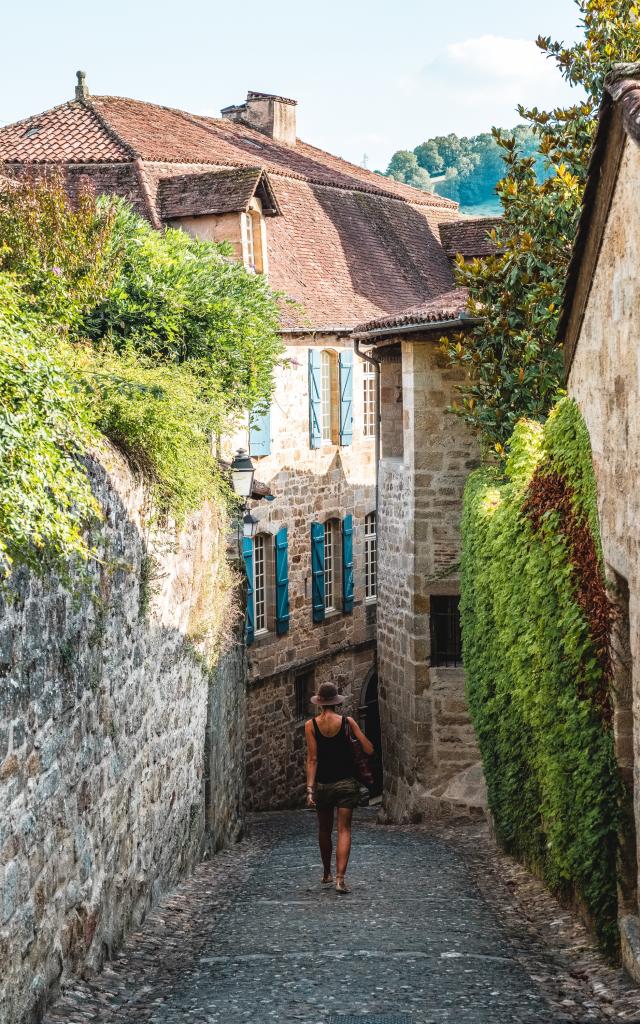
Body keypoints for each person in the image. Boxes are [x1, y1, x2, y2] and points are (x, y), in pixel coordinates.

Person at [304, 681, 374, 894]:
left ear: (320, 702)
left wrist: (309, 789)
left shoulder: (311, 725)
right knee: (344, 830)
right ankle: (340, 879)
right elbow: (368, 749)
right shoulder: (347, 722)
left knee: (324, 830)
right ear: (336, 702)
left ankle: (327, 873)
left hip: (323, 784)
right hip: (345, 783)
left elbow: (313, 759)